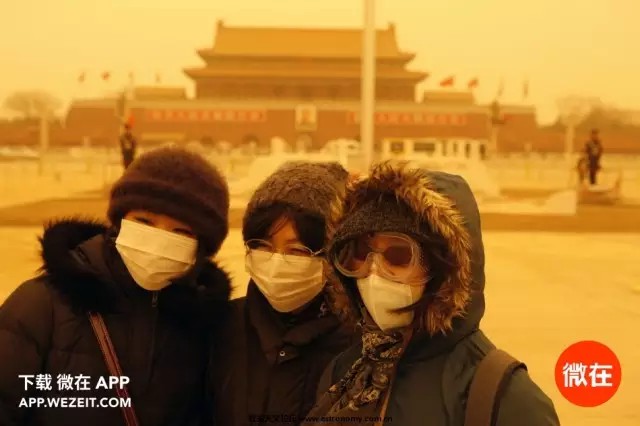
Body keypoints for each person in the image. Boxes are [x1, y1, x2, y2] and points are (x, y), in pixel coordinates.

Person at [304, 161, 560, 425]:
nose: (373, 272)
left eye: (398, 255)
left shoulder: (504, 398)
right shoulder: (344, 374)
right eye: (359, 253)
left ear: (443, 269)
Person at [0, 147, 232, 426]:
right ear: (120, 223)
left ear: (202, 248)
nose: (158, 239)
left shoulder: (208, 326)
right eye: (144, 222)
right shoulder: (41, 305)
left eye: (181, 231)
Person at [211, 161, 357, 426]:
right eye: (263, 246)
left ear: (334, 256)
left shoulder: (357, 345)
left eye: (297, 251)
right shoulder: (223, 326)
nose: (277, 263)